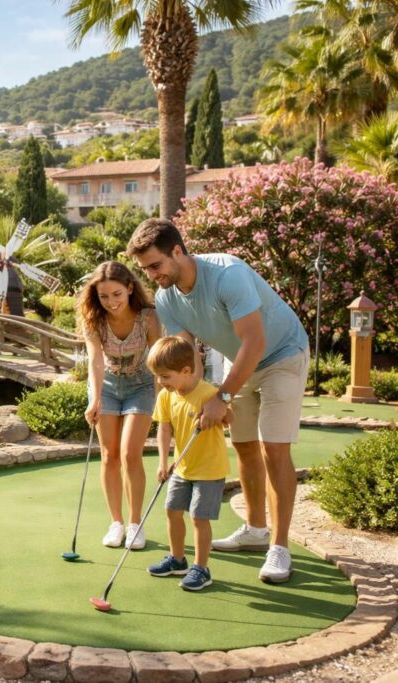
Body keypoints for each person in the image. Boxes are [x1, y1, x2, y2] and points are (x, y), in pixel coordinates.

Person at [128, 218, 310, 584]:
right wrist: (189, 397)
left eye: (155, 265)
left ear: (177, 251)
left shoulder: (228, 274)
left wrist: (222, 396)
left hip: (282, 355)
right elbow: (185, 359)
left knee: (273, 449)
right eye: (145, 269)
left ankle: (279, 547)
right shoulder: (166, 298)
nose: (151, 275)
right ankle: (256, 529)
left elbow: (255, 342)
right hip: (238, 360)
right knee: (244, 446)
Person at [77, 261, 162, 550]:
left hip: (141, 384)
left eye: (117, 294)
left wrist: (162, 398)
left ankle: (136, 524)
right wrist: (96, 398)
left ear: (129, 288)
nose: (111, 302)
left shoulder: (148, 317)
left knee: (130, 454)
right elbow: (95, 361)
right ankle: (116, 523)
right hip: (108, 386)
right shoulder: (94, 320)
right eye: (104, 296)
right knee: (109, 455)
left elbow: (157, 357)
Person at [145, 337, 231, 592]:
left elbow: (230, 419)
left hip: (209, 469)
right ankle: (177, 559)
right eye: (157, 376)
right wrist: (163, 462)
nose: (160, 381)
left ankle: (201, 568)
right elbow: (164, 429)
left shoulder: (207, 394)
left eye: (165, 376)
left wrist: (218, 412)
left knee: (198, 518)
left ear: (185, 370)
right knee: (172, 510)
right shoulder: (166, 396)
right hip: (182, 467)